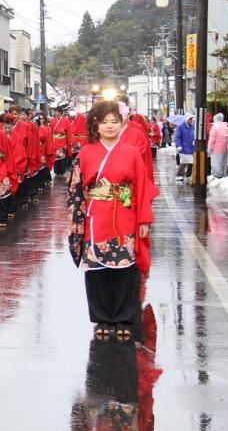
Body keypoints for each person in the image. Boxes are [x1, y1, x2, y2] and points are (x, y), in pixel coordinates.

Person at [68, 100, 156, 341]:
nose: (109, 126)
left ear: (122, 123)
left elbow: (142, 188)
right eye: (104, 122)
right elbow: (76, 189)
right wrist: (76, 221)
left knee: (125, 270)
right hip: (95, 217)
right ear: (95, 125)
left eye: (114, 121)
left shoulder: (131, 153)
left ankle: (123, 318)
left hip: (125, 216)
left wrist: (144, 220)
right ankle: (102, 318)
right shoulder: (86, 153)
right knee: (97, 272)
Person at [208, 113, 228, 178]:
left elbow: (212, 139)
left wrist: (210, 148)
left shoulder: (214, 127)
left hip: (216, 148)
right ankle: (224, 175)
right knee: (224, 163)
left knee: (216, 163)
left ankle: (217, 176)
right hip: (225, 148)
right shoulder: (226, 127)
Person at [50, 107, 71, 175]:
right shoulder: (52, 120)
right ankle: (56, 171)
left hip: (62, 140)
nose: (55, 113)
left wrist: (68, 140)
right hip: (55, 140)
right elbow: (51, 131)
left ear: (60, 112)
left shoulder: (66, 120)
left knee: (62, 156)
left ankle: (62, 170)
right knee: (56, 156)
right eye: (55, 112)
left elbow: (68, 131)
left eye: (56, 112)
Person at [174, 113, 195, 182]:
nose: (191, 120)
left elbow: (194, 134)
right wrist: (178, 145)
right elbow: (177, 137)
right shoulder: (180, 127)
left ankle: (189, 175)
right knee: (184, 162)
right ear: (186, 119)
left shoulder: (192, 126)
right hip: (183, 147)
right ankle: (179, 175)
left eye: (192, 119)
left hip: (191, 147)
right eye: (190, 119)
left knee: (191, 162)